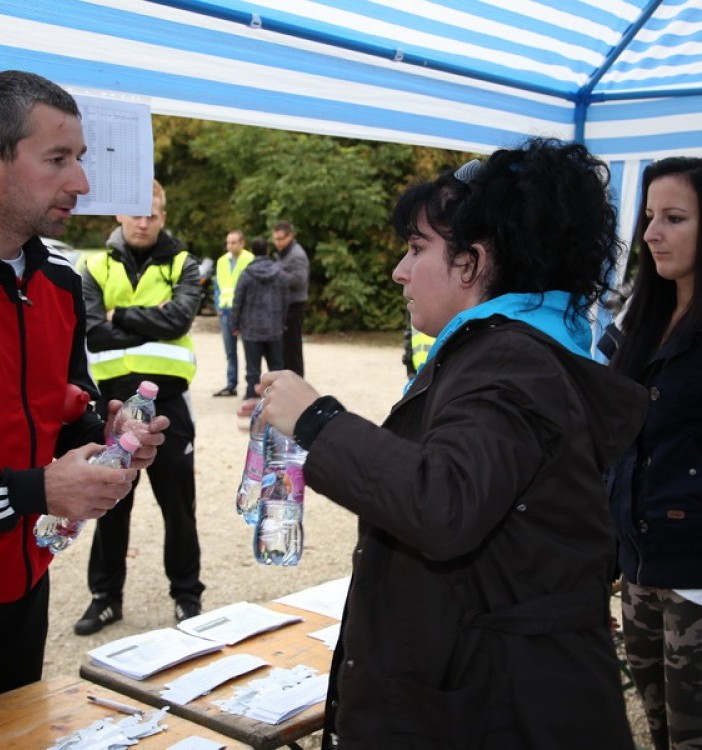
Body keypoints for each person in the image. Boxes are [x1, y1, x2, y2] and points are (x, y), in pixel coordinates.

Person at [259, 137, 648, 749]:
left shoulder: (511, 360)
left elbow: (443, 503)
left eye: (417, 249)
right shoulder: (512, 350)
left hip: (503, 708)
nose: (399, 271)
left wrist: (318, 422)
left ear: (474, 261)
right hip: (504, 688)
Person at [0, 70, 167, 699]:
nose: (83, 182)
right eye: (58, 159)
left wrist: (110, 436)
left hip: (23, 586)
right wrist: (38, 488)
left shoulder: (59, 280)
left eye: (81, 159)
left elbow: (68, 407)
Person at [600, 156, 702, 750]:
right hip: (640, 567)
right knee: (659, 730)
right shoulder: (639, 311)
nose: (652, 233)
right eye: (650, 216)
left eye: (674, 218)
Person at [75, 179, 205, 635]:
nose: (144, 220)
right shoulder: (92, 266)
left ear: (164, 216)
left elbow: (180, 318)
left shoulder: (185, 264)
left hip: (169, 407)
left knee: (179, 508)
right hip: (112, 408)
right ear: (118, 214)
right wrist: (152, 321)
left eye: (152, 212)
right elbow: (92, 331)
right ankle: (105, 599)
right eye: (135, 211)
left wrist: (119, 316)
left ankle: (188, 597)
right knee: (110, 508)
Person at [230, 236, 288, 412]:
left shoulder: (247, 274)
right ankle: (280, 397)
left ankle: (252, 396)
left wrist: (235, 324)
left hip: (251, 328)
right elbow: (286, 299)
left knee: (253, 368)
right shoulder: (280, 273)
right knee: (276, 366)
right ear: (267, 251)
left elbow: (238, 301)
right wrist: (281, 321)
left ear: (252, 252)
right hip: (273, 327)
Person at [212, 229, 253, 396]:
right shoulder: (222, 261)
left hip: (244, 311)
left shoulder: (249, 259)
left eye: (234, 242)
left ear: (242, 243)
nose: (230, 245)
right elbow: (217, 286)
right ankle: (231, 385)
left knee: (251, 351)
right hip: (226, 310)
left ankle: (252, 386)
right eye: (228, 242)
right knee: (230, 351)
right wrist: (218, 306)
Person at [271, 220, 309, 376]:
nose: (277, 243)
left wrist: (276, 274)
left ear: (290, 236)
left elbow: (299, 281)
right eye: (275, 239)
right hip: (285, 306)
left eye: (281, 239)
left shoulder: (296, 255)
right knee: (285, 349)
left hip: (294, 306)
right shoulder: (283, 254)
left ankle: (297, 382)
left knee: (293, 349)